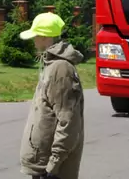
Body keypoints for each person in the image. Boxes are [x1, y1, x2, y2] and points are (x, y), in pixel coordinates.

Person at [18, 12, 85, 179]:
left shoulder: (60, 69)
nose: (33, 40)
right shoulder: (51, 64)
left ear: (44, 37)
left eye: (35, 36)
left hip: (52, 169)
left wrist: (53, 165)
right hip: (43, 164)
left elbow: (68, 121)